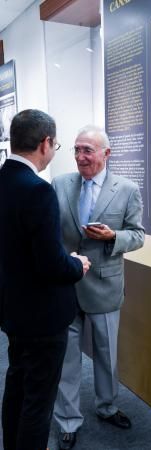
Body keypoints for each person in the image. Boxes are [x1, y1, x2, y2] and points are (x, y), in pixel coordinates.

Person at [0, 109, 91, 450]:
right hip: (42, 317)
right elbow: (51, 265)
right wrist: (77, 264)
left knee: (17, 389)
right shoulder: (38, 191)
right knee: (38, 402)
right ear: (45, 143)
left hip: (13, 311)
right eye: (58, 145)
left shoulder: (4, 179)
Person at [52, 125, 145, 450]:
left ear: (106, 154)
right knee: (67, 358)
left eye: (87, 150)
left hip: (105, 285)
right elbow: (52, 233)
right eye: (76, 149)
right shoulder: (60, 184)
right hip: (66, 285)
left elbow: (137, 234)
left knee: (107, 355)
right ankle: (67, 421)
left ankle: (107, 407)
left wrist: (112, 238)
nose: (80, 157)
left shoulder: (127, 189)